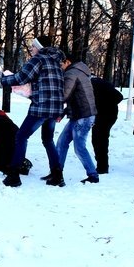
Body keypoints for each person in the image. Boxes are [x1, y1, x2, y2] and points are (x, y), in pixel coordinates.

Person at [0, 36, 65, 187]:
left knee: (21, 136)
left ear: (40, 47)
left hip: (41, 107)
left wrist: (4, 80)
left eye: (33, 46)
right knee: (48, 140)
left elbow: (22, 77)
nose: (31, 48)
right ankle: (57, 175)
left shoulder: (39, 60)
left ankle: (14, 175)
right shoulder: (57, 62)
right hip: (55, 108)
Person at [54, 55, 98, 185]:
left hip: (83, 117)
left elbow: (65, 95)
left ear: (67, 61)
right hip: (79, 115)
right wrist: (62, 113)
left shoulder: (72, 73)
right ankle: (57, 172)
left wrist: (51, 100)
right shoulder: (81, 72)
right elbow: (76, 98)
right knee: (62, 143)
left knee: (79, 147)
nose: (59, 67)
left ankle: (93, 175)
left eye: (60, 64)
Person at [90, 75, 123, 174]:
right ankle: (102, 163)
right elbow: (119, 97)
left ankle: (102, 166)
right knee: (102, 139)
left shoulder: (91, 85)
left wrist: (102, 104)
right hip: (111, 115)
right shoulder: (105, 84)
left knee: (98, 140)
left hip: (102, 115)